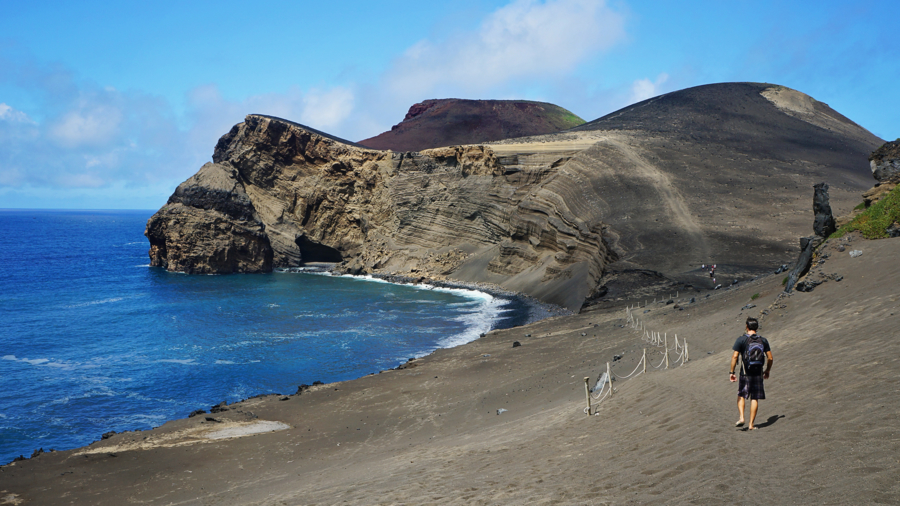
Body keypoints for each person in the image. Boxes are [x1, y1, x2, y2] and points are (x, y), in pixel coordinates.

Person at [729, 317, 773, 430]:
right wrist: (767, 370)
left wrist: (732, 372)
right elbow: (770, 358)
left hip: (745, 372)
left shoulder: (741, 340)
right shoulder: (763, 340)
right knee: (754, 398)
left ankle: (742, 418)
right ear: (757, 328)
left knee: (741, 395)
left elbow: (734, 356)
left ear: (746, 327)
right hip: (758, 373)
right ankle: (751, 425)